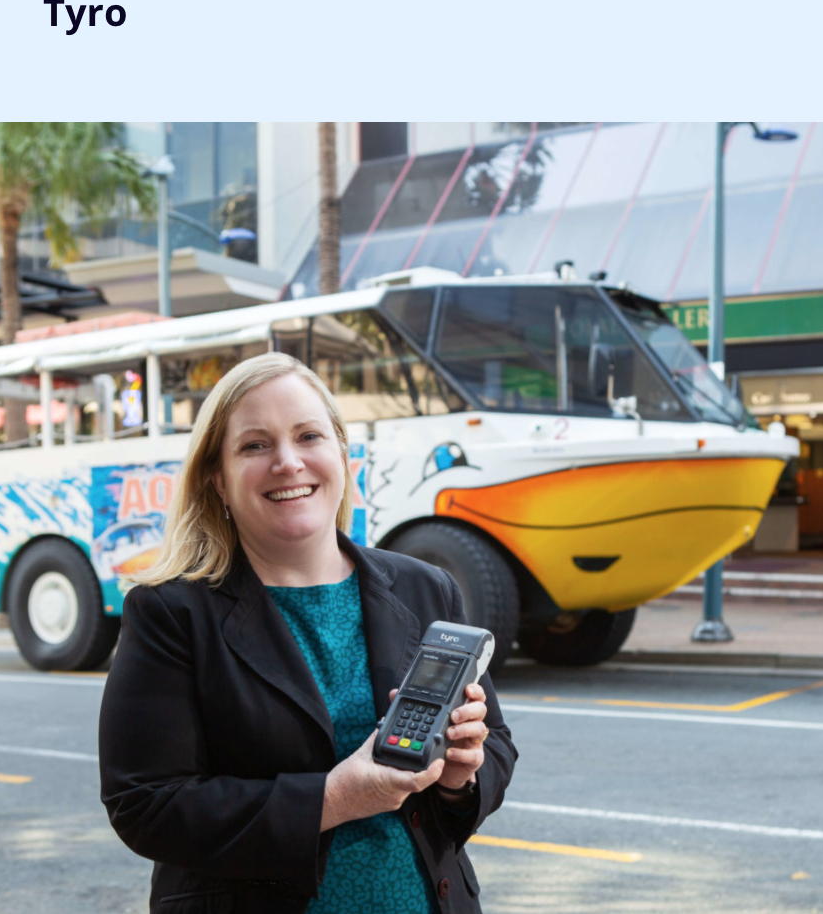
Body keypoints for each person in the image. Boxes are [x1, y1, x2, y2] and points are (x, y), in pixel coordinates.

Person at [99, 352, 516, 914]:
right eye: (255, 445)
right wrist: (334, 799)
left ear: (341, 456)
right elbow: (145, 805)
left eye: (308, 436)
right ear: (218, 480)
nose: (288, 462)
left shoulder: (427, 588)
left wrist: (460, 776)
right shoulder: (170, 612)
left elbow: (497, 747)